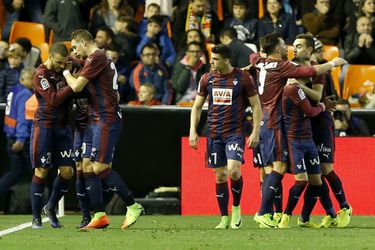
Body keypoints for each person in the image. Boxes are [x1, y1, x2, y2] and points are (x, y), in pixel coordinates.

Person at [250, 32, 347, 228]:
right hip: (276, 123)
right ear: (277, 49)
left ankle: (283, 215)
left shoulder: (260, 61)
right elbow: (311, 72)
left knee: (283, 170)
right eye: (285, 46)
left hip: (267, 121)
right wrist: (333, 64)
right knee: (279, 168)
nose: (289, 49)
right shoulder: (283, 66)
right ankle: (264, 212)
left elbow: (252, 56)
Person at [63, 29, 144, 229]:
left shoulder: (97, 57)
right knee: (87, 165)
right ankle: (99, 214)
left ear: (83, 42)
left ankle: (133, 205)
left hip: (106, 118)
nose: (74, 51)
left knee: (99, 168)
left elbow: (76, 87)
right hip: (94, 118)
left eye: (75, 46)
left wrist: (65, 71)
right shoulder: (99, 57)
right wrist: (70, 59)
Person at [189, 44, 262, 229]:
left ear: (226, 60)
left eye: (215, 59)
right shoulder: (207, 78)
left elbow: (255, 105)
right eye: (212, 58)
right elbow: (197, 106)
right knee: (220, 176)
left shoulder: (243, 77)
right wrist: (193, 131)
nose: (211, 62)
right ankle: (223, 217)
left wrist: (255, 131)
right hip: (213, 134)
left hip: (235, 133)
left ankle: (236, 208)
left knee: (234, 170)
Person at [292, 34, 353, 228]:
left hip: (321, 122)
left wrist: (298, 84)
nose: (294, 49)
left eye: (299, 46)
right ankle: (320, 215)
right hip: (306, 123)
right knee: (314, 174)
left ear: (309, 50)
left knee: (326, 169)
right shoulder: (292, 68)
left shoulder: (317, 71)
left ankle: (345, 207)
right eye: (294, 45)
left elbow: (317, 96)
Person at [30, 43, 75, 229]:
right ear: (50, 57)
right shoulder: (40, 74)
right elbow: (54, 100)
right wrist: (73, 83)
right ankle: (35, 217)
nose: (62, 66)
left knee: (67, 172)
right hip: (45, 127)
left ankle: (50, 206)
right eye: (58, 62)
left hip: (63, 127)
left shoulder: (65, 67)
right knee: (42, 170)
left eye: (64, 63)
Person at [278, 62, 326, 228]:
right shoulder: (292, 88)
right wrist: (322, 107)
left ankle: (304, 219)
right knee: (301, 180)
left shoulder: (299, 88)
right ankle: (285, 216)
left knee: (317, 182)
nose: (310, 72)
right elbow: (311, 112)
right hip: (295, 140)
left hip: (308, 140)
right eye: (306, 70)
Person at [0, 67, 34, 203]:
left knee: (16, 172)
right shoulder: (25, 93)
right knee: (36, 172)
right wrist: (20, 139)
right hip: (21, 139)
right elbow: (22, 118)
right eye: (31, 78)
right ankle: (40, 205)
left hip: (10, 136)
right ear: (22, 79)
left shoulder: (13, 90)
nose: (33, 81)